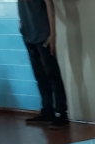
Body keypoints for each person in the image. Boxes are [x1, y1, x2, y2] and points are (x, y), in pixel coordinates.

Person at [19, 0, 69, 129]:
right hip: (28, 34)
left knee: (53, 74)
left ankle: (61, 113)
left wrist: (53, 35)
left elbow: (49, 6)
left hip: (43, 35)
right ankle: (47, 111)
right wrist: (22, 24)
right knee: (40, 76)